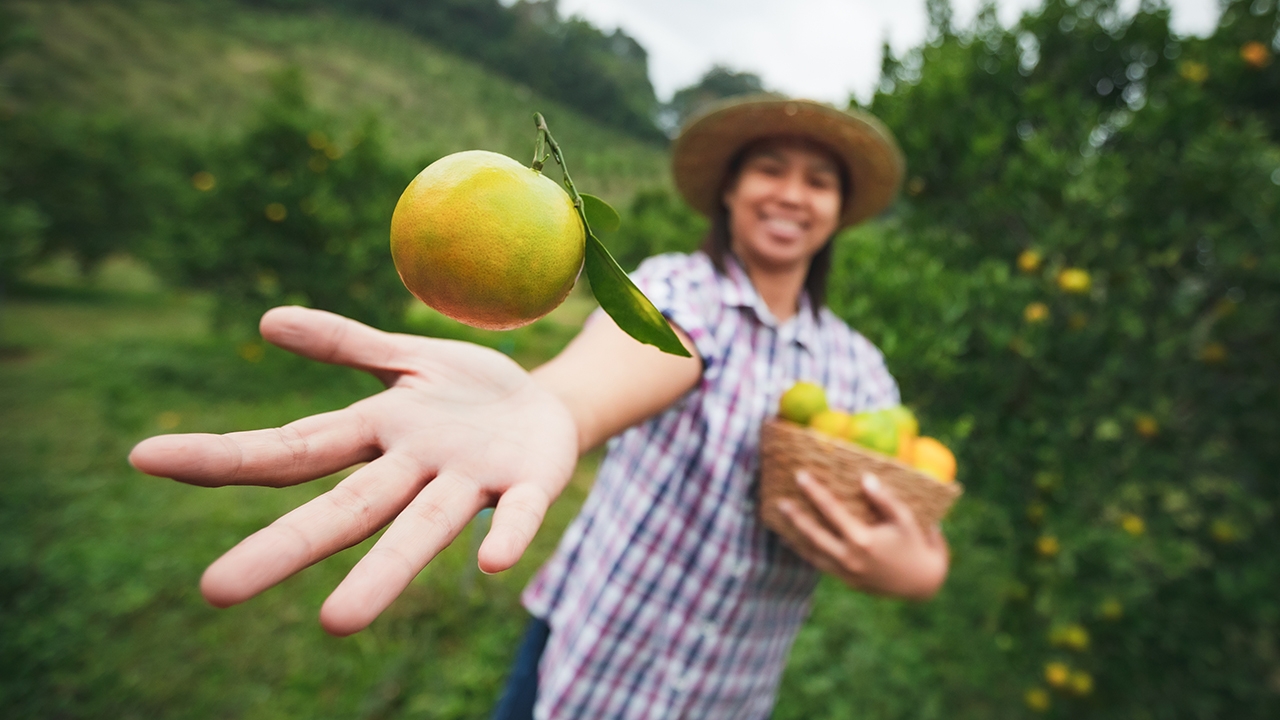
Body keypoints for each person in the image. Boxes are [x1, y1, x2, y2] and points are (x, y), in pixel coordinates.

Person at [129, 96, 949, 719]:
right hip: (586, 658)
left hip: (727, 689)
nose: (791, 195)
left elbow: (906, 513)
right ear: (729, 191)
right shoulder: (671, 291)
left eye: (818, 180)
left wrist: (911, 569)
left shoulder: (856, 365)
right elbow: (643, 356)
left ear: (839, 211)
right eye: (769, 169)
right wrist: (549, 406)